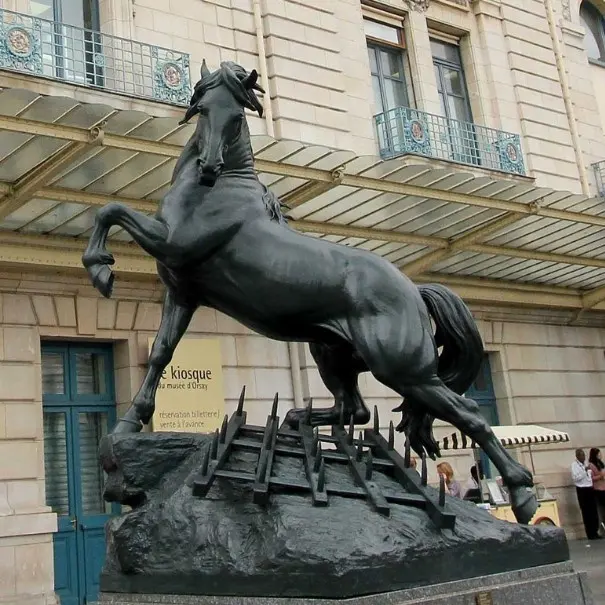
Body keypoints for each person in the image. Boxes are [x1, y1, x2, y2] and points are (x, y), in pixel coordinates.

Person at [571, 448, 600, 540]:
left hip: (589, 488)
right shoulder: (574, 465)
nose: (583, 457)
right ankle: (590, 533)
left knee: (594, 511)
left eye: (584, 455)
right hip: (582, 489)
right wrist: (584, 471)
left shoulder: (586, 463)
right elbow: (575, 478)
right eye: (581, 455)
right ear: (577, 456)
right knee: (586, 512)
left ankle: (595, 531)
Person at [588, 447, 605, 535]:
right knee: (601, 511)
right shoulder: (591, 465)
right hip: (598, 490)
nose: (600, 455)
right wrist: (600, 476)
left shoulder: (601, 463)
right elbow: (591, 478)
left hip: (604, 487)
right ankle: (601, 529)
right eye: (598, 454)